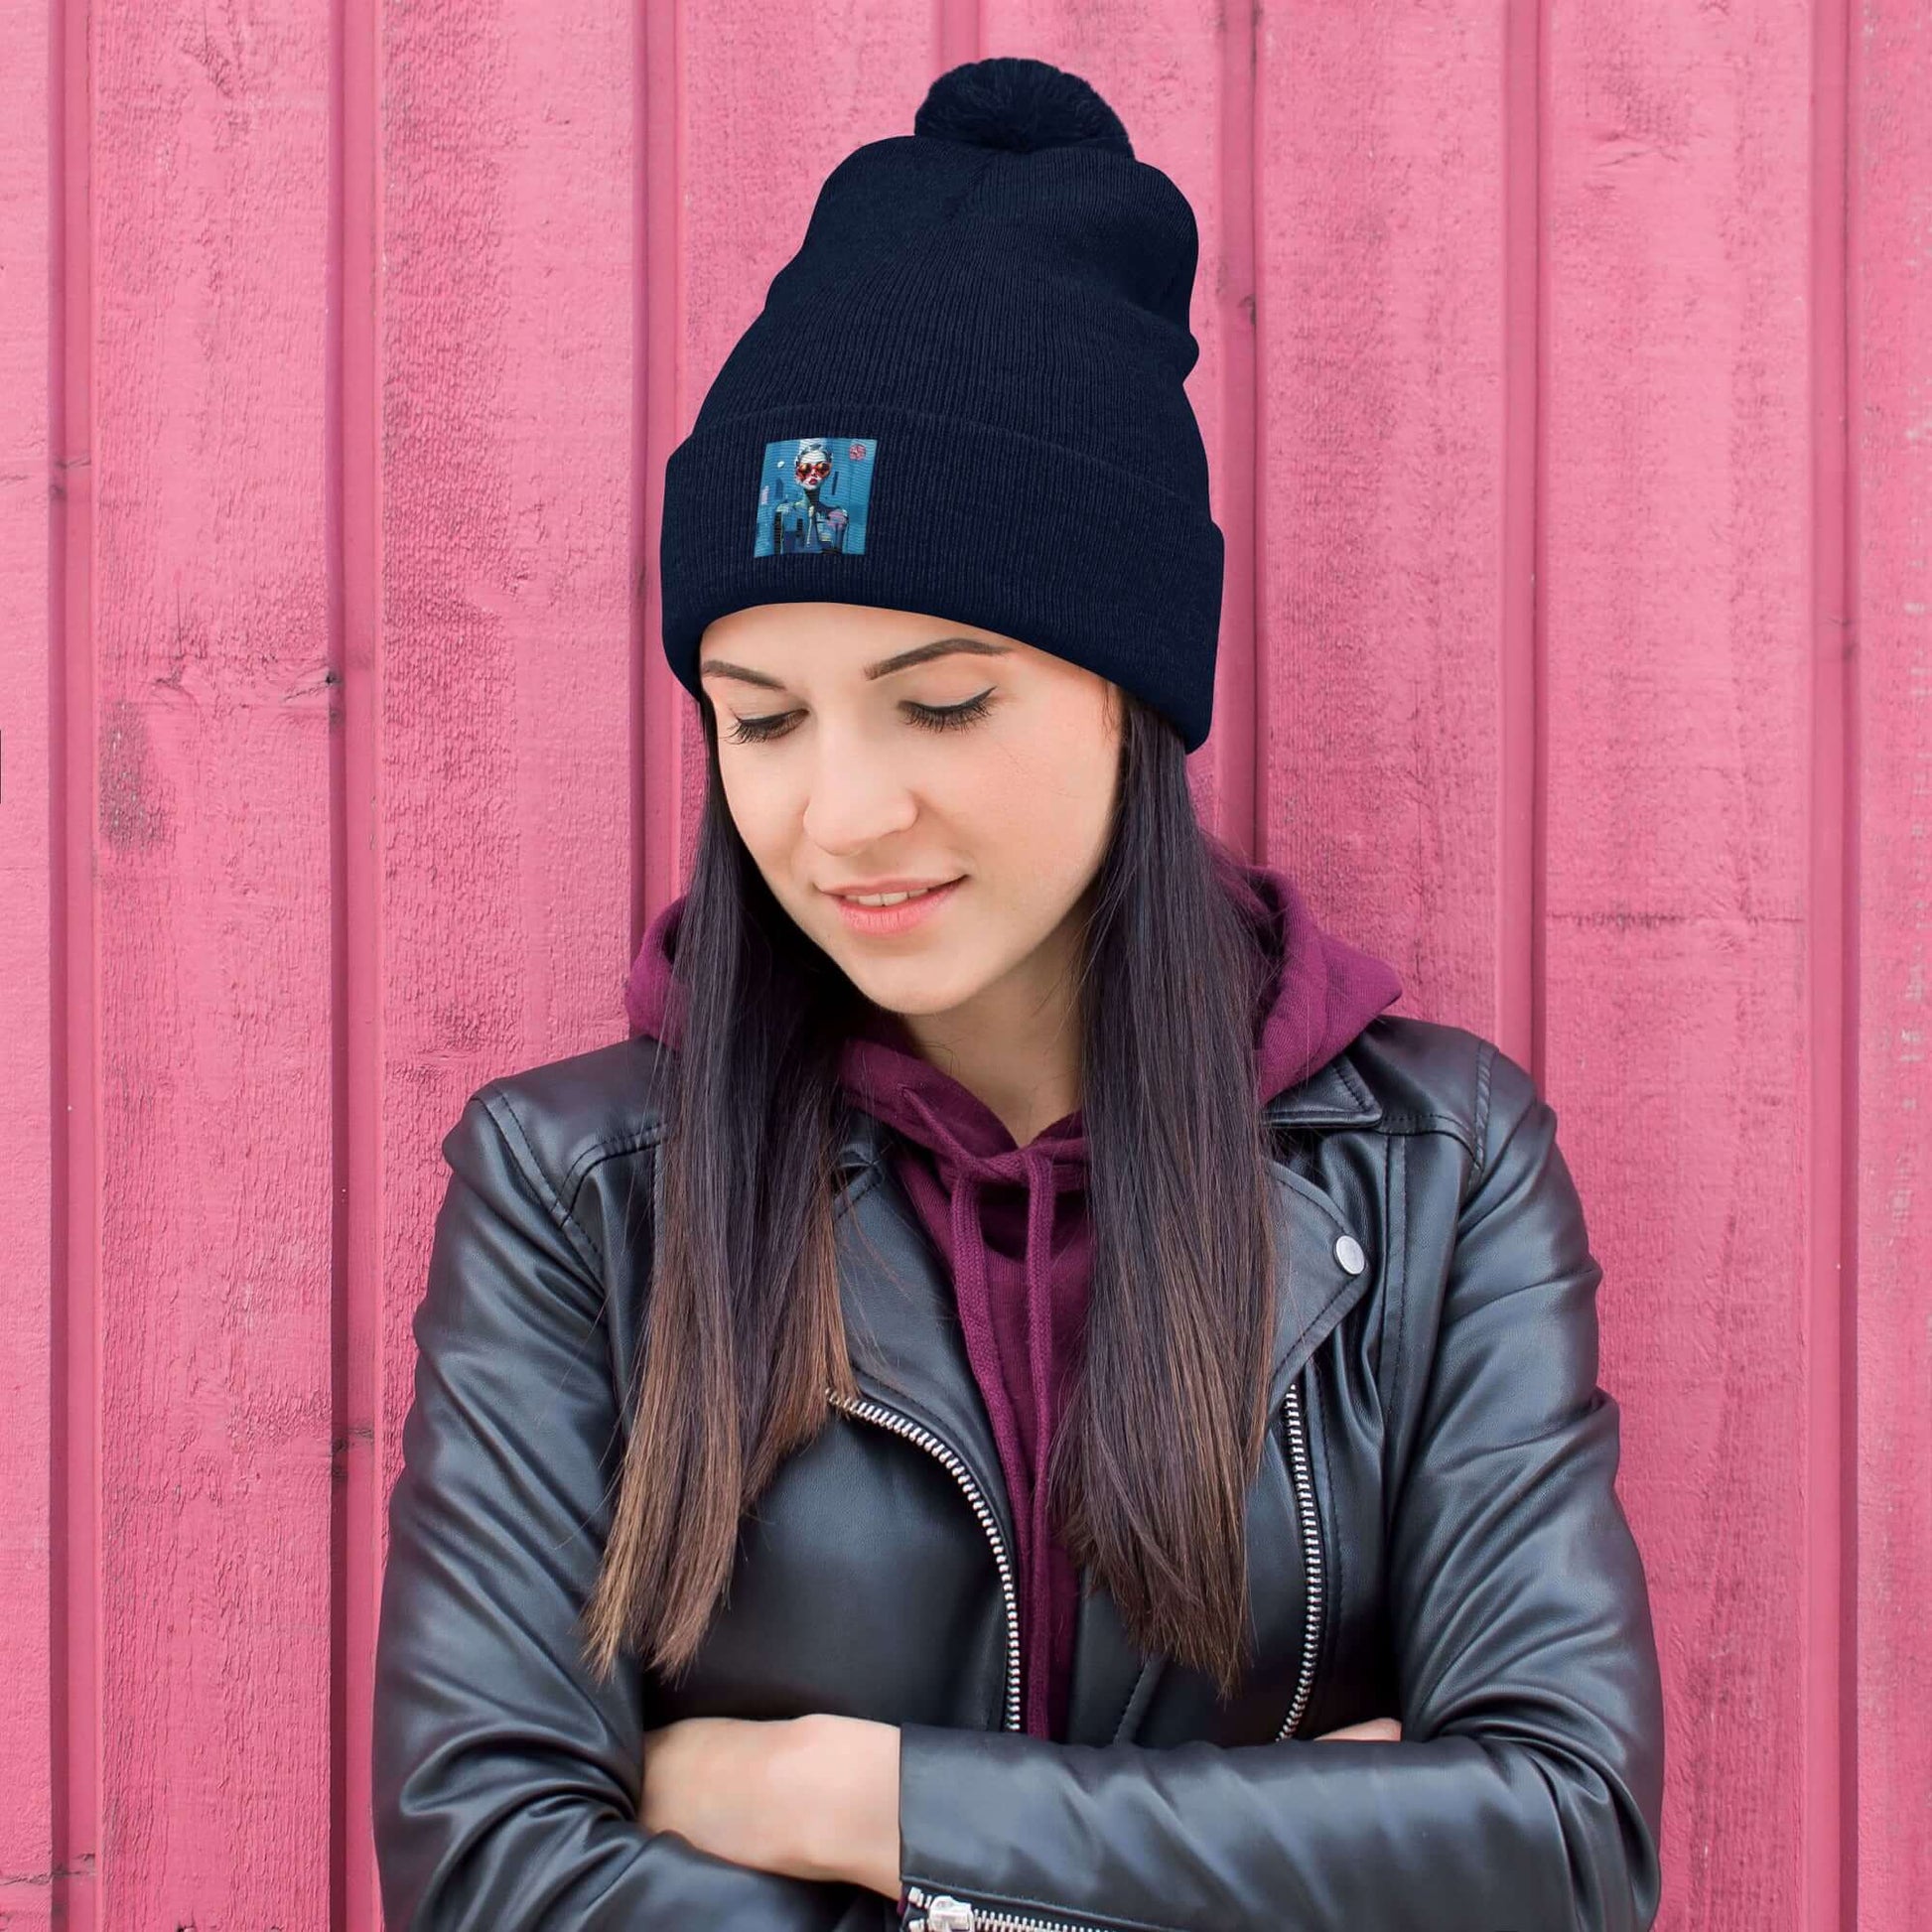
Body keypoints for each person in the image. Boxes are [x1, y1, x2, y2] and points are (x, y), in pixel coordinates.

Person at [371, 55, 1666, 1932]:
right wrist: (1291, 1840)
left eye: (943, 700)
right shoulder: (580, 1191)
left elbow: (1558, 1845)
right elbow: (493, 1874)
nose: (842, 811)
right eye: (762, 718)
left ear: (1129, 693)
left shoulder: (1433, 1163)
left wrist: (845, 1791)